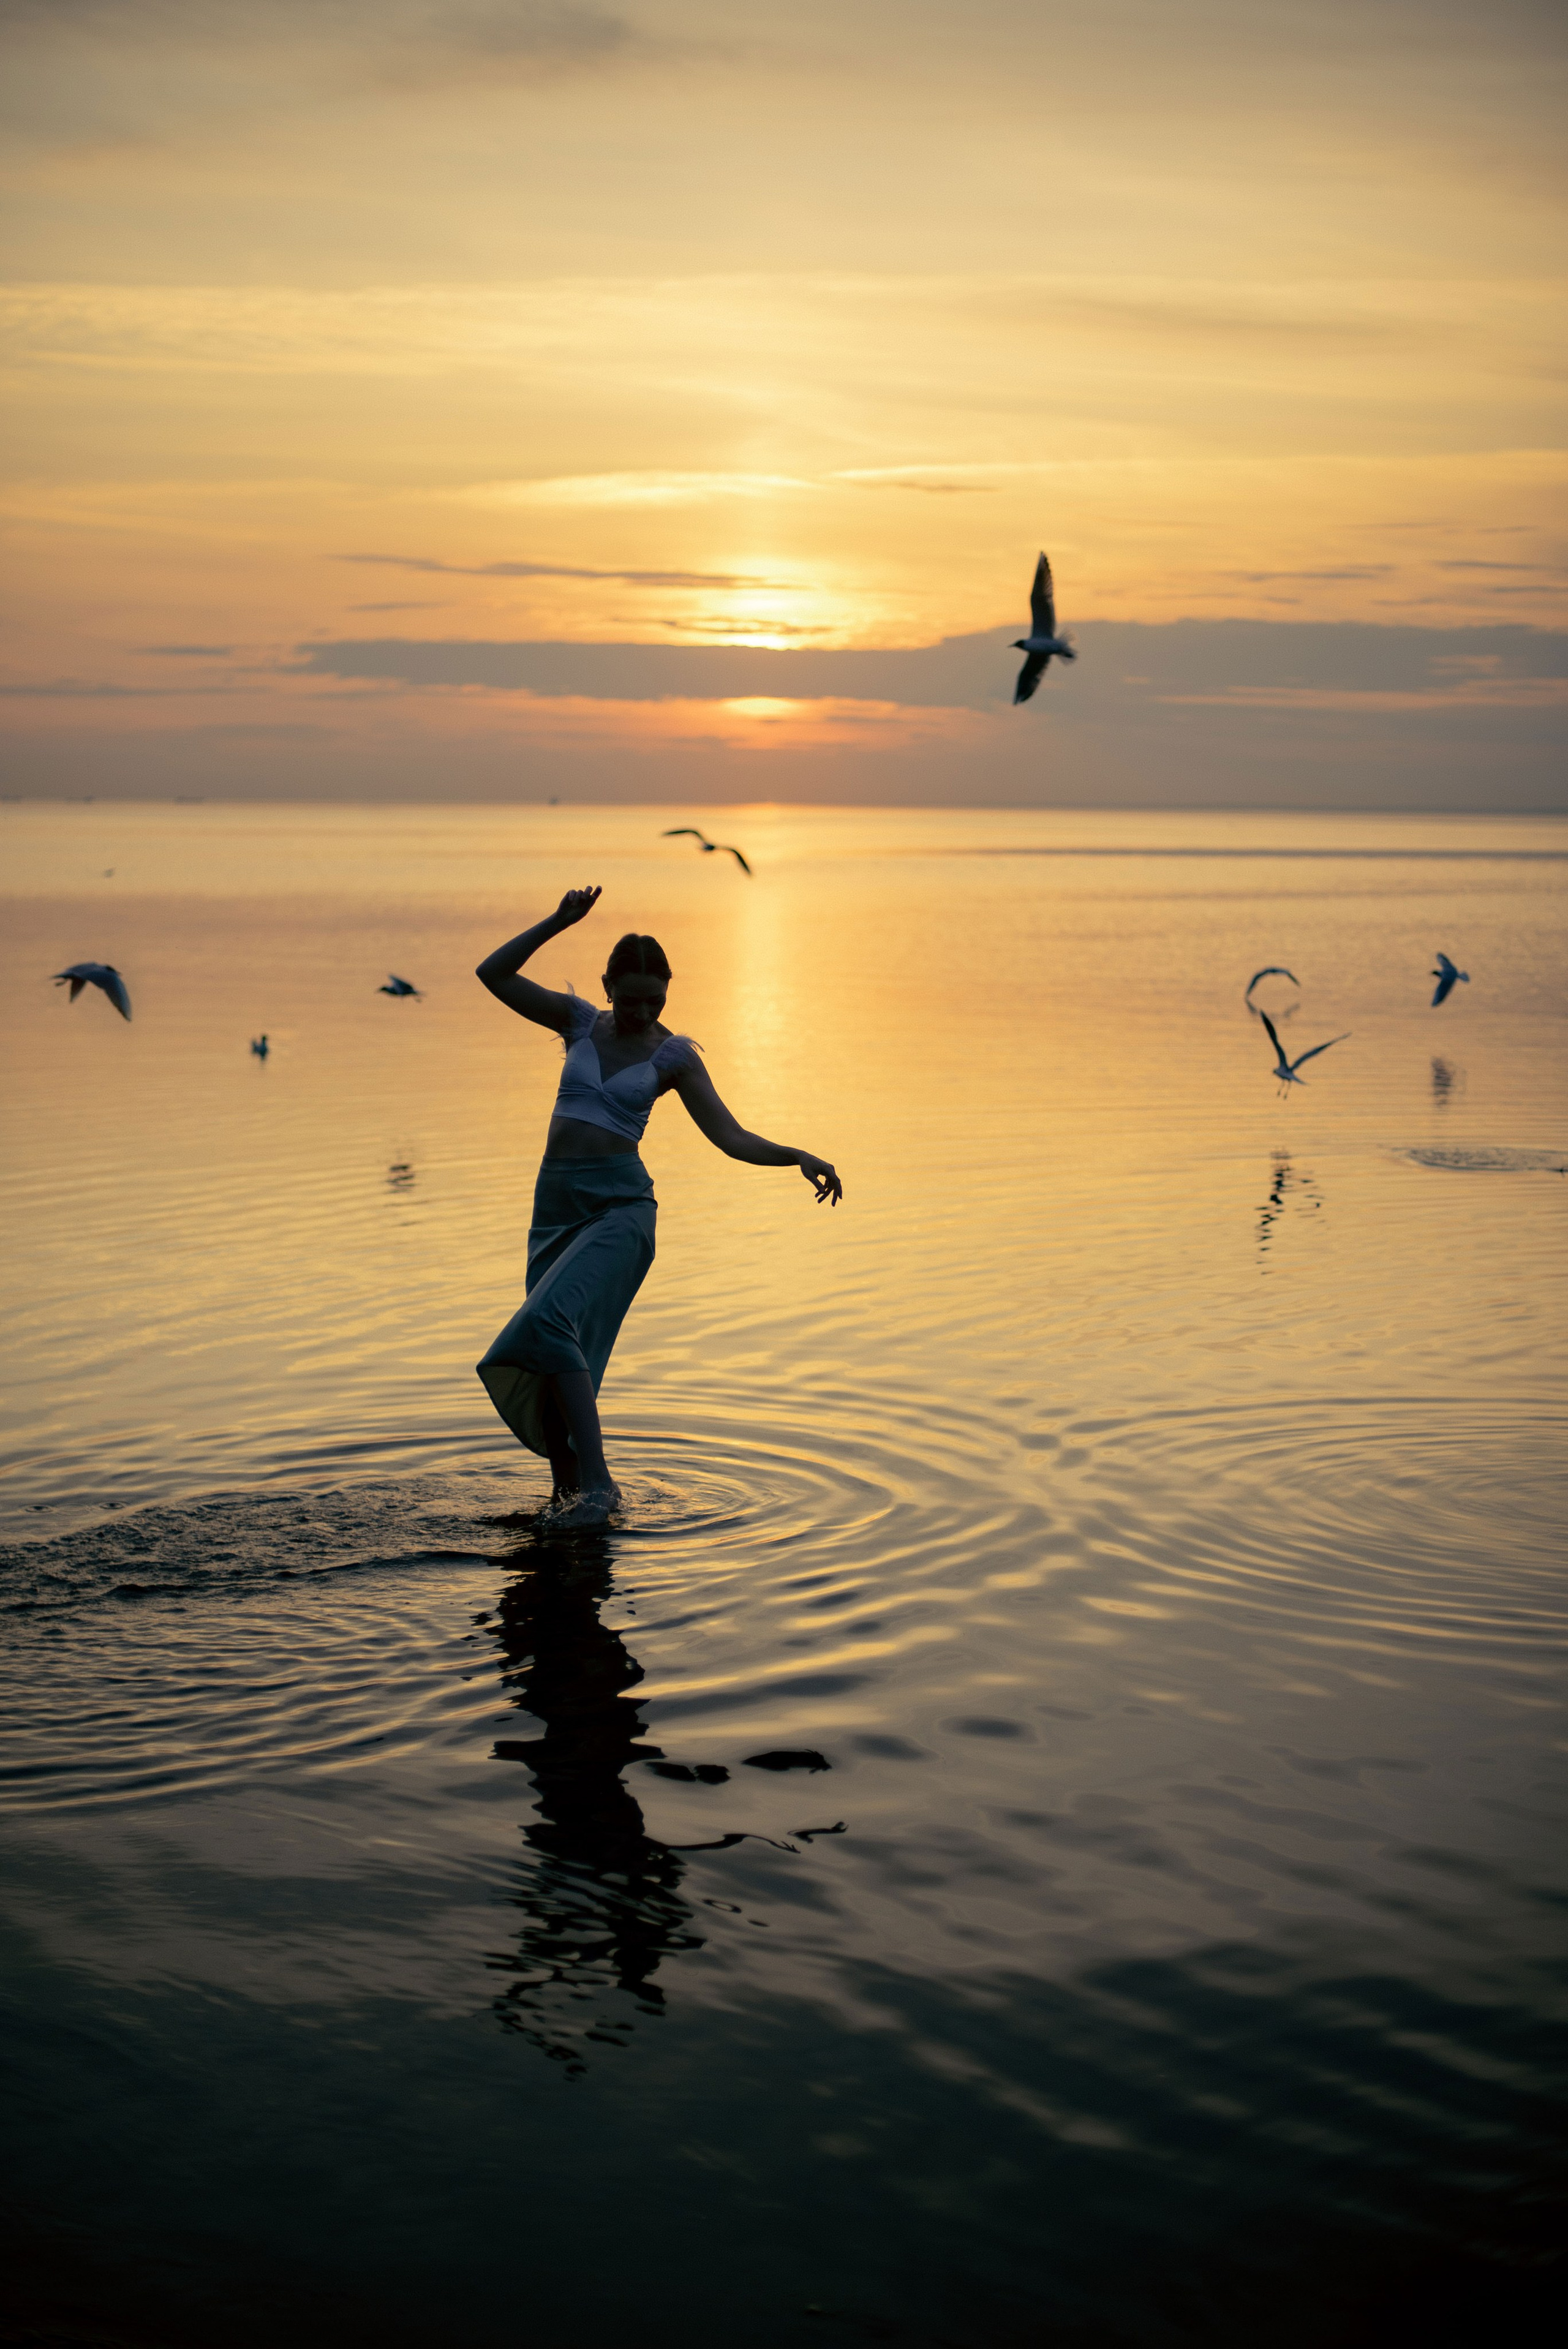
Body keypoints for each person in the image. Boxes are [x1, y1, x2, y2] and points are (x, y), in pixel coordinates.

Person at [475, 887, 842, 1527]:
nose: (644, 1011)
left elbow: (731, 1136)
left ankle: (600, 1485)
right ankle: (566, 1499)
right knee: (555, 1356)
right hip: (555, 1211)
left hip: (621, 1210)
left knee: (549, 1324)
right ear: (607, 985)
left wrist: (796, 1154)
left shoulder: (672, 1056)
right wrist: (559, 922)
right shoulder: (578, 1022)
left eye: (656, 999)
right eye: (632, 997)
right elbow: (493, 974)